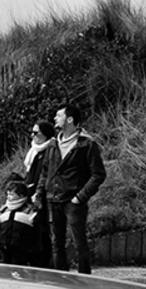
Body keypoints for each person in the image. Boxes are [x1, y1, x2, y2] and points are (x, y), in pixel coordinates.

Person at [45, 103, 106, 274]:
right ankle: (61, 280)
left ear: (70, 119)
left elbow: (98, 174)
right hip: (53, 199)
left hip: (73, 201)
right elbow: (46, 171)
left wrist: (80, 197)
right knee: (57, 244)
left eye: (59, 115)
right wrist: (42, 192)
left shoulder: (86, 144)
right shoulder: (52, 143)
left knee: (79, 243)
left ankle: (84, 279)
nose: (55, 118)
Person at [23, 119, 58, 268]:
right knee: (32, 229)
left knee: (43, 231)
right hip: (31, 194)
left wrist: (39, 192)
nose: (32, 135)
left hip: (44, 195)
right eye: (32, 132)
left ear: (46, 134)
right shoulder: (34, 152)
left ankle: (44, 263)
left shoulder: (51, 150)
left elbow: (47, 174)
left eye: (36, 132)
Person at [0, 173, 39, 265]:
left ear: (21, 195)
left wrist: (31, 247)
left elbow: (36, 231)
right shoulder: (4, 209)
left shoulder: (30, 210)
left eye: (11, 195)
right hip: (4, 245)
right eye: (8, 194)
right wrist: (0, 238)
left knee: (18, 267)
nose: (8, 197)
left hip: (21, 248)